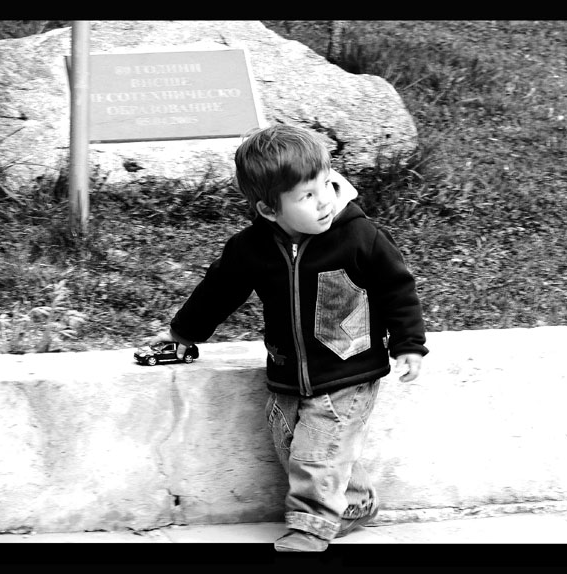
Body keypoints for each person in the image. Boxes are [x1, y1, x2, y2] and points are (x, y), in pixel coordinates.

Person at [149, 123, 428, 552]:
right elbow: (218, 291)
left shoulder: (359, 236)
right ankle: (354, 503)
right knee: (292, 440)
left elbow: (397, 288)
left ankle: (310, 529)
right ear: (268, 210)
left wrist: (408, 343)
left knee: (317, 450)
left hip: (348, 368)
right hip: (287, 372)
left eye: (326, 185)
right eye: (306, 196)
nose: (324, 201)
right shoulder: (251, 249)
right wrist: (183, 334)